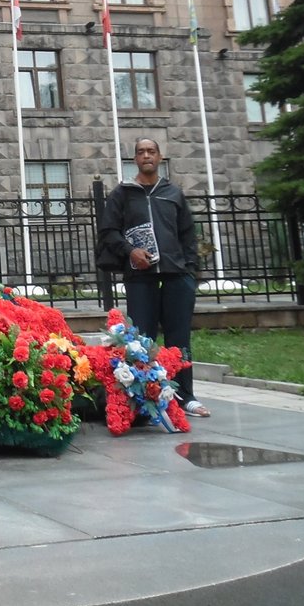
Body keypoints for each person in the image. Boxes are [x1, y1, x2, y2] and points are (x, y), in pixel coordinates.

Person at [98, 137, 210, 417]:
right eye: (140, 152)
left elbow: (188, 234)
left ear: (159, 157)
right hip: (140, 279)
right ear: (134, 159)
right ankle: (146, 399)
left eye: (151, 151)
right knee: (141, 341)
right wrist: (130, 251)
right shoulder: (122, 194)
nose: (146, 155)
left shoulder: (172, 192)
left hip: (176, 277)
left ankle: (186, 397)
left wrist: (189, 270)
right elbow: (108, 232)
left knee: (179, 340)